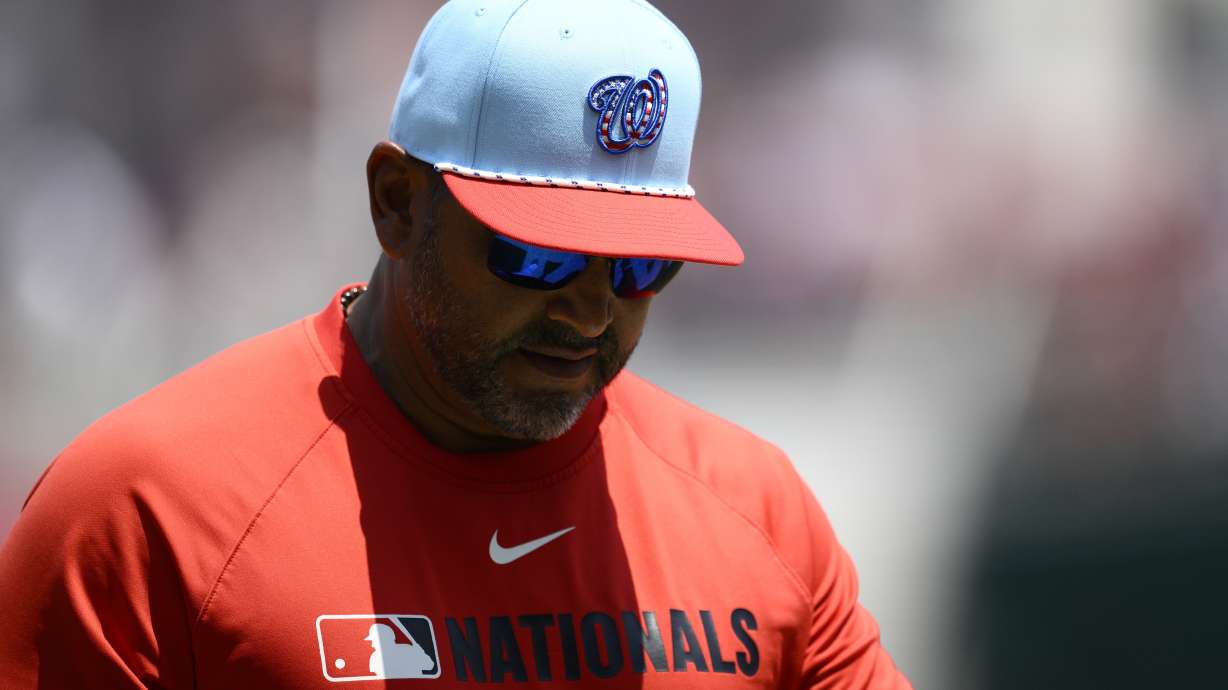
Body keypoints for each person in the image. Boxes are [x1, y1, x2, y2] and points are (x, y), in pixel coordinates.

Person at [0, 0, 912, 687]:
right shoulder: (143, 511)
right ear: (397, 203)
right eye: (536, 255)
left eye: (641, 267)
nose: (590, 315)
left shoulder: (759, 514)